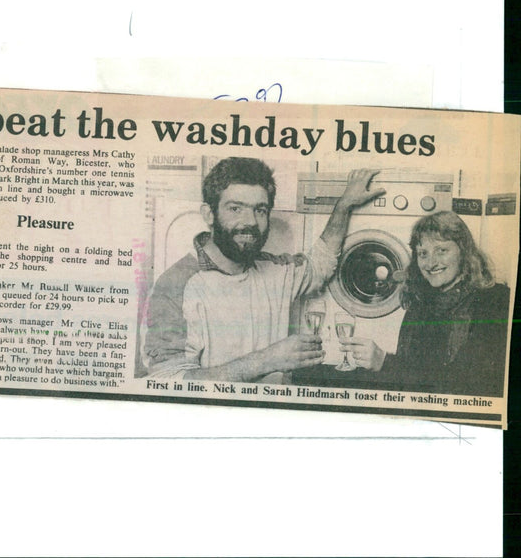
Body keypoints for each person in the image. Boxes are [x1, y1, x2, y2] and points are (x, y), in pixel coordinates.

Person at [143, 157, 384, 382]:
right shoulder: (175, 285)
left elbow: (320, 263)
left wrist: (344, 206)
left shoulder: (275, 269)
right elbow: (165, 381)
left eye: (260, 210)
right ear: (209, 214)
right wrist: (267, 360)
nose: (250, 222)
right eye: (235, 209)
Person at [339, 211, 510, 396]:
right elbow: (408, 378)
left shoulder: (494, 300)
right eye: (423, 254)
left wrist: (384, 362)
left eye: (441, 251)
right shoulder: (419, 304)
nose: (431, 263)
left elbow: (467, 381)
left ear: (464, 250)